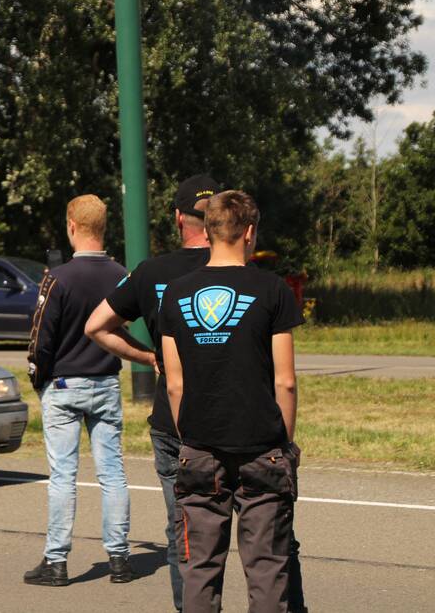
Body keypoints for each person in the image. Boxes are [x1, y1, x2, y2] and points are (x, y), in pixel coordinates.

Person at [159, 191, 303, 613]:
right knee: (267, 568)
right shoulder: (273, 289)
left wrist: (191, 436)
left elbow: (174, 384)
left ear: (206, 232)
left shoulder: (177, 293)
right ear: (250, 232)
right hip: (262, 446)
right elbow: (286, 381)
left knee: (199, 568)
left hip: (200, 445)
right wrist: (286, 445)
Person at [85, 174, 218, 612]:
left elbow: (96, 326)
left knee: (184, 528)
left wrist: (148, 357)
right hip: (240, 418)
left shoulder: (153, 273)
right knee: (260, 535)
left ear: (178, 218)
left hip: (174, 422)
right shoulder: (248, 273)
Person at [23, 194, 133, 587]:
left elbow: (41, 338)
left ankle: (56, 562)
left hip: (65, 384)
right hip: (105, 380)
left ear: (72, 225)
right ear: (104, 228)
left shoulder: (59, 277)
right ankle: (119, 557)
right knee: (113, 473)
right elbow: (124, 328)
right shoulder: (121, 274)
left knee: (63, 476)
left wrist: (39, 380)